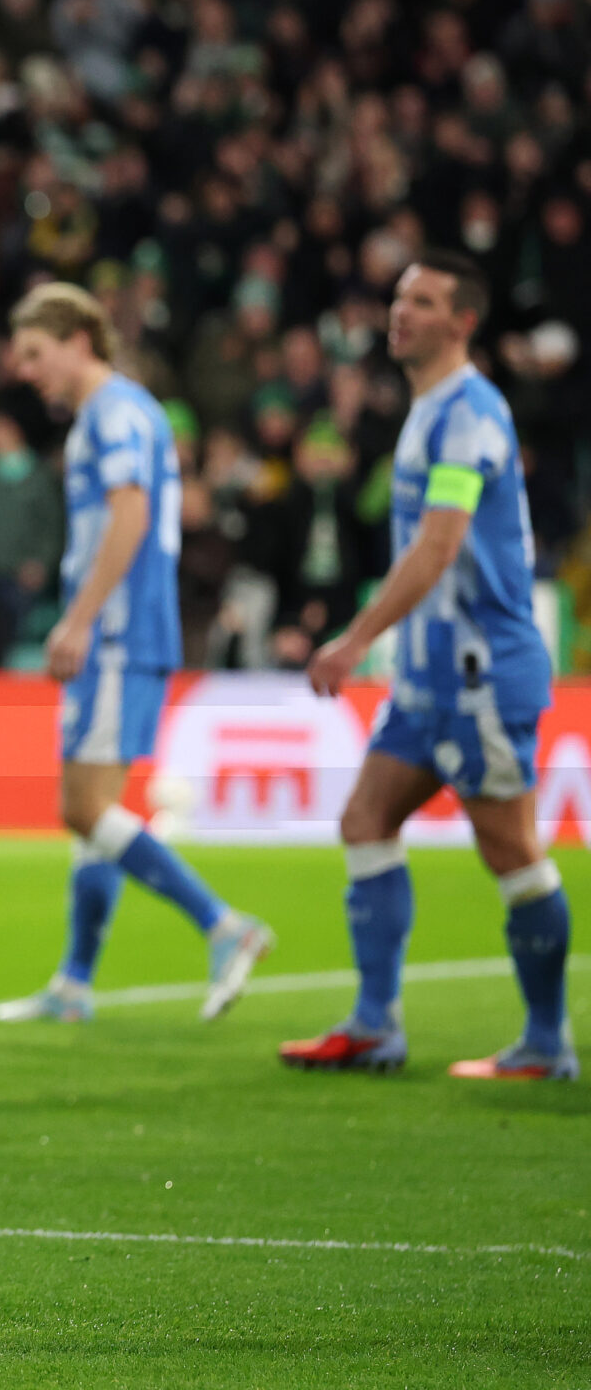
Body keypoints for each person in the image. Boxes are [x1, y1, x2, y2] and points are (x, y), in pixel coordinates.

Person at [280, 255, 572, 1080]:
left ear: (463, 321)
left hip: (481, 673)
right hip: (425, 678)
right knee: (366, 821)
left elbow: (440, 545)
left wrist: (352, 637)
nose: (400, 312)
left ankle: (547, 1043)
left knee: (512, 851)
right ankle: (376, 1025)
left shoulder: (470, 413)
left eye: (424, 301)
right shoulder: (425, 410)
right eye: (400, 297)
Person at [0, 284, 273, 1025]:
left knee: (81, 807)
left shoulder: (113, 412)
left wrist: (79, 620)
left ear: (79, 339)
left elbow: (132, 513)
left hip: (115, 634)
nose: (25, 370)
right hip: (128, 633)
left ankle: (224, 924)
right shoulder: (128, 411)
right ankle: (75, 985)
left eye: (34, 352)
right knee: (96, 813)